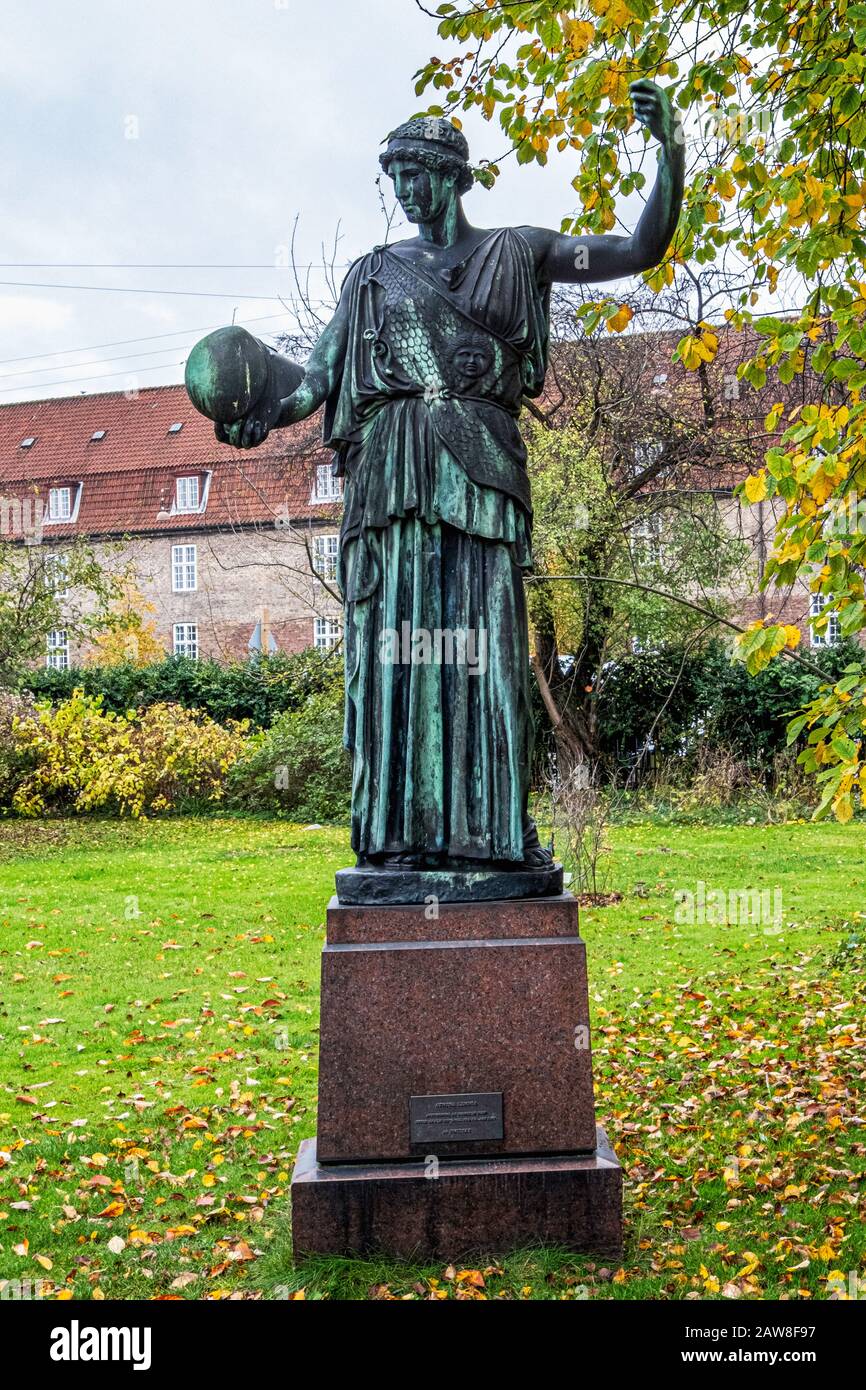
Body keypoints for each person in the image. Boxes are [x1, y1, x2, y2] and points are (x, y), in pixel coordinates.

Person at [218, 81, 684, 876]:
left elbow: (637, 250)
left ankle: (494, 836)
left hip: (479, 469)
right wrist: (263, 410)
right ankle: (401, 840)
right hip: (394, 476)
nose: (405, 191)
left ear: (456, 177)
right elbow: (319, 378)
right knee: (394, 652)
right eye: (395, 176)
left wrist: (669, 152)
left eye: (419, 173)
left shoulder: (520, 251)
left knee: (491, 653)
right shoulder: (370, 274)